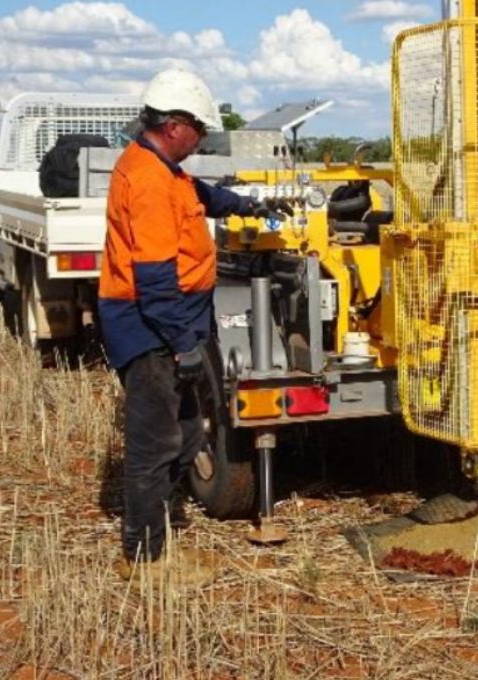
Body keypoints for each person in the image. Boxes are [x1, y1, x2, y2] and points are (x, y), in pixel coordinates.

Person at [99, 68, 284, 584]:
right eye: (200, 131)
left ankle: (157, 535)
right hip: (152, 327)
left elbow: (200, 195)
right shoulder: (149, 181)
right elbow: (155, 281)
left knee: (183, 433)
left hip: (175, 321)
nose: (200, 141)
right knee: (154, 443)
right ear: (176, 125)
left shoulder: (165, 170)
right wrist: (183, 345)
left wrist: (247, 204)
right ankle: (145, 558)